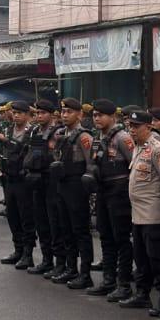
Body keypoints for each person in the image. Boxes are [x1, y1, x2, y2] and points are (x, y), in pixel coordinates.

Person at [121, 107, 160, 315]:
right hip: (139, 214)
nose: (132, 130)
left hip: (155, 215)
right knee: (141, 258)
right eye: (130, 126)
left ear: (148, 126)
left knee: (158, 259)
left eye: (136, 126)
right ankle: (142, 294)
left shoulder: (157, 149)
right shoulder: (137, 147)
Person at [87, 100, 136, 302]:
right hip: (103, 192)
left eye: (101, 115)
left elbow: (135, 164)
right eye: (95, 115)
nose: (97, 118)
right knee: (105, 236)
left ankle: (123, 284)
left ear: (112, 117)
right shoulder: (98, 138)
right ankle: (109, 280)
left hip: (120, 194)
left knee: (121, 239)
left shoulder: (123, 138)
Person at [52, 98, 94, 284]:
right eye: (63, 111)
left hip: (77, 186)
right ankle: (71, 268)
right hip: (62, 184)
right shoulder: (61, 134)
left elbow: (91, 165)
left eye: (69, 112)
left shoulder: (84, 137)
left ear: (80, 114)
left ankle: (85, 273)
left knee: (80, 230)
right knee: (65, 228)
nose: (65, 115)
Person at [0, 101, 36, 269]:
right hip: (9, 177)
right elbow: (4, 153)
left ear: (27, 114)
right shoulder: (8, 129)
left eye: (20, 112)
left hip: (23, 179)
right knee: (12, 215)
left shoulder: (31, 132)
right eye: (14, 112)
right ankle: (17, 250)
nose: (16, 115)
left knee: (26, 216)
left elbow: (24, 151)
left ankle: (28, 254)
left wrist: (7, 142)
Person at [23, 100, 59, 273]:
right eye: (37, 113)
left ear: (51, 114)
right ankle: (46, 260)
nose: (39, 116)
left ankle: (60, 262)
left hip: (52, 181)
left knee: (54, 223)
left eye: (43, 113)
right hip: (37, 180)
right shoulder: (35, 131)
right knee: (41, 221)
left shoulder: (58, 132)